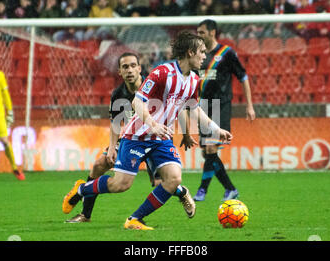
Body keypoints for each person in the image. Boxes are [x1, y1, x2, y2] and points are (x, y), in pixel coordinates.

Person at [64, 31, 232, 230]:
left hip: (161, 139)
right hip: (137, 136)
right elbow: (137, 101)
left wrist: (215, 129)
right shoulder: (162, 73)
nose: (205, 56)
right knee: (121, 185)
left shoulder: (194, 80)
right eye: (202, 52)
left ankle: (134, 219)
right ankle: (81, 189)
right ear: (190, 52)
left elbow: (193, 109)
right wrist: (153, 124)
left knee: (173, 178)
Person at [63, 52, 196, 223]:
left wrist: (185, 133)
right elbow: (116, 122)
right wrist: (112, 147)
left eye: (133, 66)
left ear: (140, 69)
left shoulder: (154, 84)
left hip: (155, 139)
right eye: (125, 67)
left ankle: (181, 192)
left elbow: (180, 105)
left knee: (160, 183)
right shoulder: (118, 94)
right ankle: (85, 214)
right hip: (133, 139)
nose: (130, 70)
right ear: (119, 71)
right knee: (99, 165)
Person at [194, 19, 255, 202]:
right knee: (207, 152)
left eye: (202, 32)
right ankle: (230, 188)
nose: (199, 35)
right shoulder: (199, 54)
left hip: (221, 105)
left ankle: (202, 190)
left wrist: (249, 105)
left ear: (212, 33)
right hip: (203, 106)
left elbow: (243, 77)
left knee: (211, 147)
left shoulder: (226, 53)